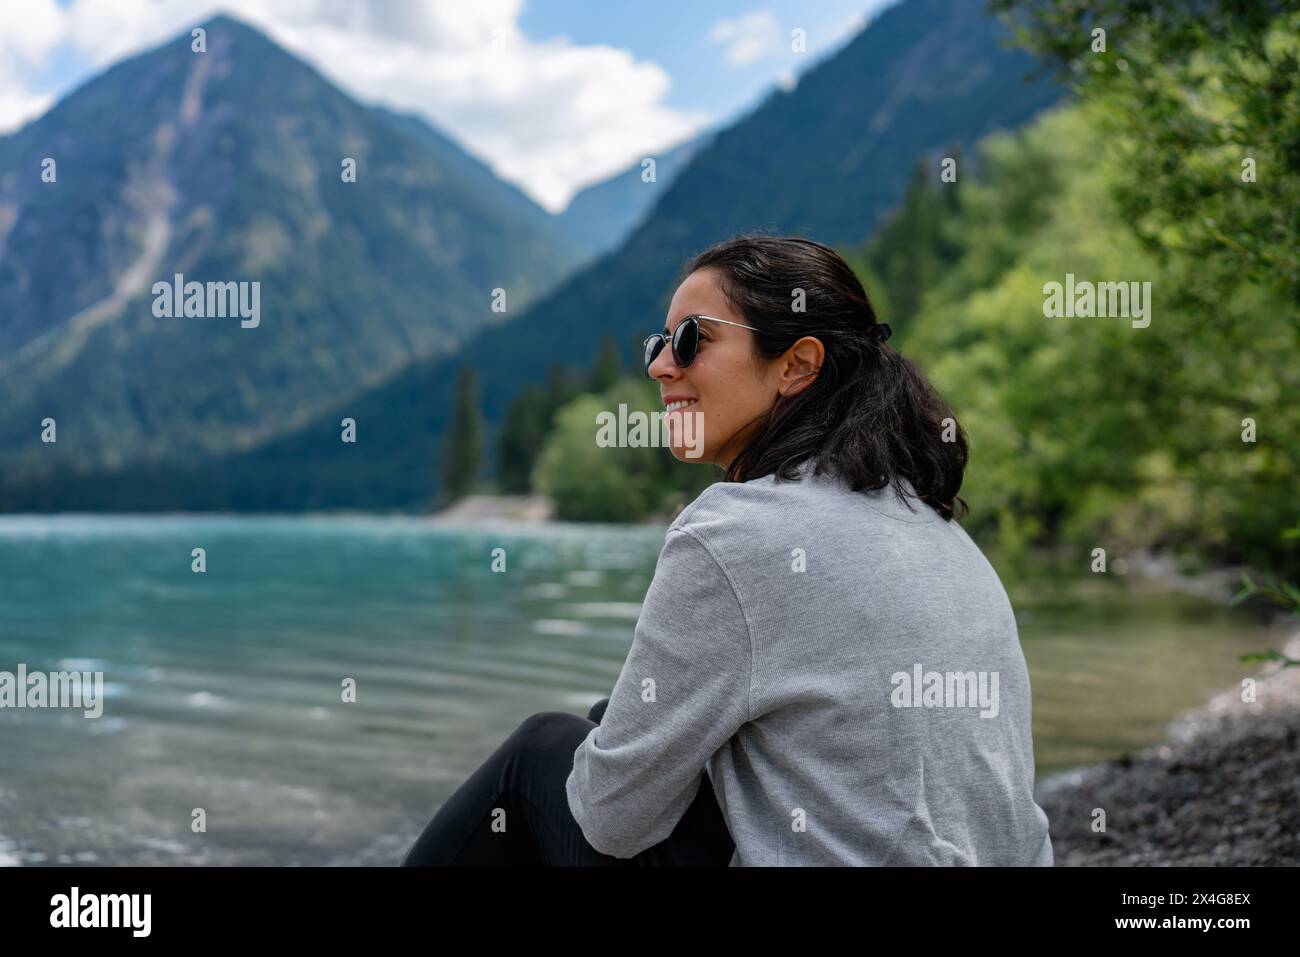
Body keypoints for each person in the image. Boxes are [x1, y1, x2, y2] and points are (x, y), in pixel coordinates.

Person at [402, 233, 1054, 866]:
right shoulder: (940, 529)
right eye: (659, 342)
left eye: (692, 340)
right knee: (650, 737)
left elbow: (608, 818)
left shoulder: (735, 529)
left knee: (540, 753)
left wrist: (615, 749)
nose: (660, 365)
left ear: (797, 364)